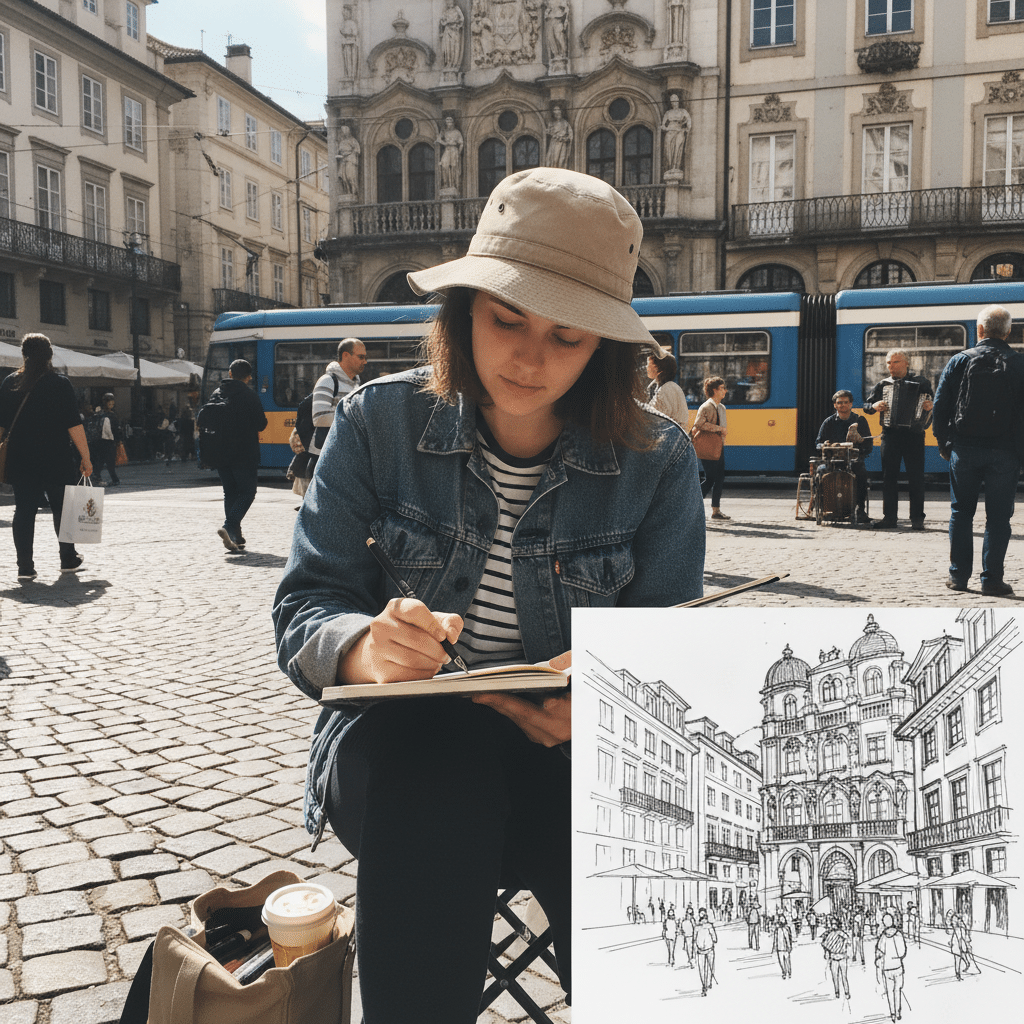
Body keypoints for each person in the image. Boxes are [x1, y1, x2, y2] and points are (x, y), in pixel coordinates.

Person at [272, 167, 705, 1024]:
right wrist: (365, 647)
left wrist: (612, 696)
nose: (531, 357)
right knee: (442, 768)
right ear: (462, 310)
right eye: (507, 319)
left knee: (624, 823)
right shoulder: (374, 423)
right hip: (402, 756)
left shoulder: (660, 459)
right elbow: (307, 606)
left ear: (605, 349)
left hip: (578, 763)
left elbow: (672, 648)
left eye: (568, 336)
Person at [932, 304, 1024, 596]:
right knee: (999, 519)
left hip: (965, 449)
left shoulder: (960, 360)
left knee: (961, 512)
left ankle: (958, 577)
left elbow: (940, 406)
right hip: (1005, 452)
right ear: (1008, 332)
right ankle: (992, 580)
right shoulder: (1020, 363)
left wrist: (945, 443)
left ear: (979, 329)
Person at [0, 333, 91, 579]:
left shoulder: (9, 382)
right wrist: (86, 457)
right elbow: (74, 425)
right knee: (63, 508)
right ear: (50, 355)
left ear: (24, 355)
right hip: (56, 457)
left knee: (24, 510)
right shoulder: (59, 383)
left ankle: (25, 567)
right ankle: (67, 558)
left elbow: (1, 425)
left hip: (20, 457)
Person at [864, 349, 934, 530]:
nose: (891, 366)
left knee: (916, 478)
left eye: (895, 362)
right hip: (890, 435)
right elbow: (866, 406)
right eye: (888, 363)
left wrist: (929, 405)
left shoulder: (922, 383)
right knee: (889, 478)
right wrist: (874, 405)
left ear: (906, 363)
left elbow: (933, 403)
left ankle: (917, 519)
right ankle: (890, 518)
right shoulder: (883, 385)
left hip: (915, 435)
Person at [212, 358, 267, 552]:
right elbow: (262, 423)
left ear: (230, 374)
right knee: (247, 492)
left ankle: (235, 535)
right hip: (244, 452)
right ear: (249, 377)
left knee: (230, 492)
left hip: (219, 452)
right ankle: (229, 526)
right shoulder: (249, 395)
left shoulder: (216, 394)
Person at [815, 389, 873, 523]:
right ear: (835, 405)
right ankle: (825, 508)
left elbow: (869, 444)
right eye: (839, 403)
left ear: (851, 404)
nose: (842, 405)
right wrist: (825, 445)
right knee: (821, 471)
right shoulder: (828, 422)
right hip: (833, 461)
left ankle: (860, 510)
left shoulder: (860, 420)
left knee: (861, 473)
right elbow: (818, 443)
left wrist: (859, 450)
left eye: (846, 402)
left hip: (853, 460)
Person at [311, 338, 367, 456]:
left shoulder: (356, 385)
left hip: (346, 453)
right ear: (346, 355)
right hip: (328, 455)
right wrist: (357, 419)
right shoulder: (327, 381)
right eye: (361, 357)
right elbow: (319, 418)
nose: (365, 362)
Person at [693, 376, 729, 520]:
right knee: (711, 478)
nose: (724, 391)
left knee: (719, 478)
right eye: (722, 388)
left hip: (718, 447)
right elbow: (699, 424)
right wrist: (718, 428)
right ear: (714, 390)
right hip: (708, 447)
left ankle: (716, 510)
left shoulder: (721, 407)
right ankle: (694, 506)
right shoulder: (706, 407)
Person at [874, 910, 908, 1022]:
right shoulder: (899, 934)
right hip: (898, 966)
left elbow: (879, 952)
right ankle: (898, 1011)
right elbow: (903, 952)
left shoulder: (883, 937)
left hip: (887, 967)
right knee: (897, 990)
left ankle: (892, 1013)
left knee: (889, 991)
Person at [646, 349, 689, 428]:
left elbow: (660, 418)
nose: (646, 367)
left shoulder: (667, 389)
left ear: (658, 369)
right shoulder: (668, 386)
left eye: (648, 364)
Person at [89, 394, 122, 486]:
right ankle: (113, 479)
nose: (111, 405)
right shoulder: (110, 415)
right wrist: (118, 440)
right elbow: (116, 430)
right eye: (110, 403)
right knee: (107, 461)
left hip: (100, 440)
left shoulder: (100, 414)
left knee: (101, 460)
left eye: (112, 403)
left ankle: (98, 477)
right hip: (108, 441)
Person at [822, 915, 851, 999]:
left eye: (835, 924)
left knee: (844, 976)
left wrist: (845, 945)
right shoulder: (829, 934)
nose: (833, 925)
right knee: (835, 976)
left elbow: (848, 940)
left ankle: (846, 992)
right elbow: (825, 945)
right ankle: (837, 992)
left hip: (842, 958)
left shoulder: (841, 933)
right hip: (834, 958)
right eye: (832, 924)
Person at [660, 93, 691, 173]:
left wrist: (687, 128)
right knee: (668, 150)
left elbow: (688, 120)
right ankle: (670, 168)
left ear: (678, 101)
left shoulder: (683, 111)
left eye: (675, 100)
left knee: (677, 149)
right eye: (672, 101)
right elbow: (662, 125)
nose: (674, 102)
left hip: (679, 131)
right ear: (671, 102)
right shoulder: (668, 113)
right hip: (670, 131)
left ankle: (675, 167)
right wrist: (666, 128)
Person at [693, 907, 717, 996]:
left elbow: (714, 937)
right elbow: (694, 939)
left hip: (709, 949)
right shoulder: (697, 927)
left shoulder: (709, 926)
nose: (702, 916)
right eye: (701, 914)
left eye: (704, 914)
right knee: (702, 969)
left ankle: (709, 982)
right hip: (700, 950)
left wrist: (712, 940)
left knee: (711, 967)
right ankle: (704, 985)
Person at [437, 116, 464, 191]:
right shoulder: (444, 131)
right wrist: (444, 143)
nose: (448, 122)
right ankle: (446, 184)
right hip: (447, 149)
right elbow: (438, 139)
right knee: (444, 165)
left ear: (453, 123)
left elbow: (461, 143)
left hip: (454, 150)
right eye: (447, 121)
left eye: (450, 121)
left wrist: (458, 153)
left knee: (453, 167)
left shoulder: (457, 132)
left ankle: (453, 185)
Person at [545, 104, 573, 168]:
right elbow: (548, 132)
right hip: (554, 144)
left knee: (562, 160)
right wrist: (550, 133)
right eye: (555, 110)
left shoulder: (566, 123)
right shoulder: (551, 123)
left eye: (558, 110)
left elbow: (570, 136)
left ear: (561, 112)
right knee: (554, 160)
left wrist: (564, 139)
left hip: (563, 144)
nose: (556, 112)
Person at [948, 911, 973, 980]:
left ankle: (966, 966)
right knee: (958, 960)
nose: (953, 922)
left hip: (960, 946)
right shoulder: (957, 929)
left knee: (961, 958)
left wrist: (966, 945)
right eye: (953, 920)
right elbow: (954, 937)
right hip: (957, 946)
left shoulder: (961, 928)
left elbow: (963, 937)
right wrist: (951, 942)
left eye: (955, 920)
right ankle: (958, 974)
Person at [772, 913, 793, 979]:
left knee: (787, 961)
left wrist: (789, 946)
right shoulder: (777, 929)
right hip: (779, 948)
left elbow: (790, 938)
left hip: (786, 948)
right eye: (780, 919)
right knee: (781, 961)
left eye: (783, 919)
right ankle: (784, 972)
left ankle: (789, 972)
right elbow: (775, 939)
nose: (782, 921)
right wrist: (774, 947)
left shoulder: (787, 928)